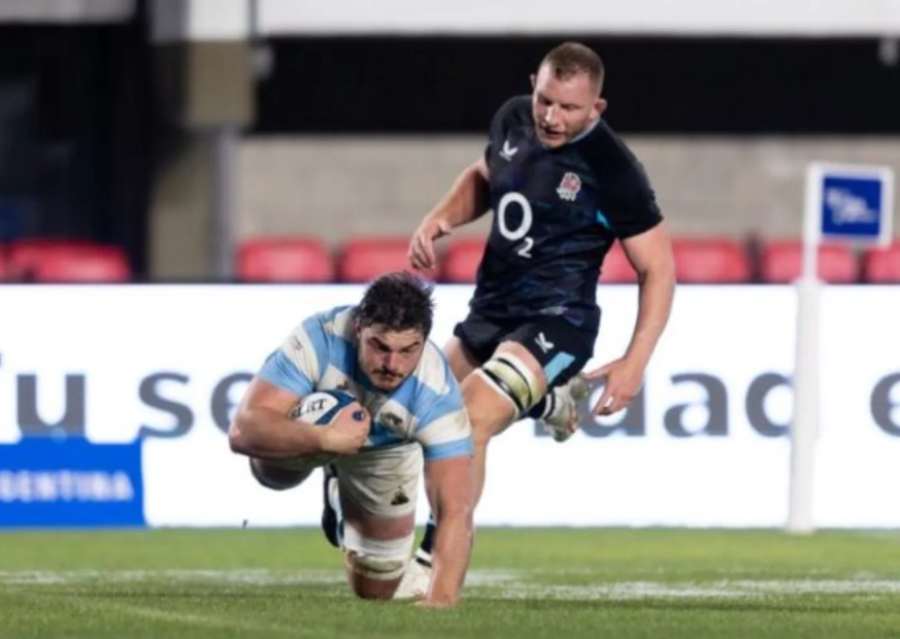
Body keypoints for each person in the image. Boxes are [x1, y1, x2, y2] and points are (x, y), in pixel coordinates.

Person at [400, 41, 676, 596]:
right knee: (409, 413)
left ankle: (432, 560)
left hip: (559, 321)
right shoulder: (512, 119)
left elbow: (660, 269)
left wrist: (635, 361)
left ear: (596, 108)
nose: (551, 117)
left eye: (569, 108)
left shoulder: (614, 170)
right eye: (544, 100)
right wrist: (439, 218)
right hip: (491, 311)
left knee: (467, 422)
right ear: (533, 84)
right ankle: (551, 402)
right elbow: (484, 174)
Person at [228, 272, 475, 608]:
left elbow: (455, 509)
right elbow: (244, 431)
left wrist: (442, 600)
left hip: (387, 449)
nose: (393, 364)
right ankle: (330, 462)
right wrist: (325, 438)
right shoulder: (320, 339)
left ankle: (338, 497)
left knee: (375, 588)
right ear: (359, 329)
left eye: (407, 350)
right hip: (319, 427)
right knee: (271, 474)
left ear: (425, 340)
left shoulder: (438, 394)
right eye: (380, 346)